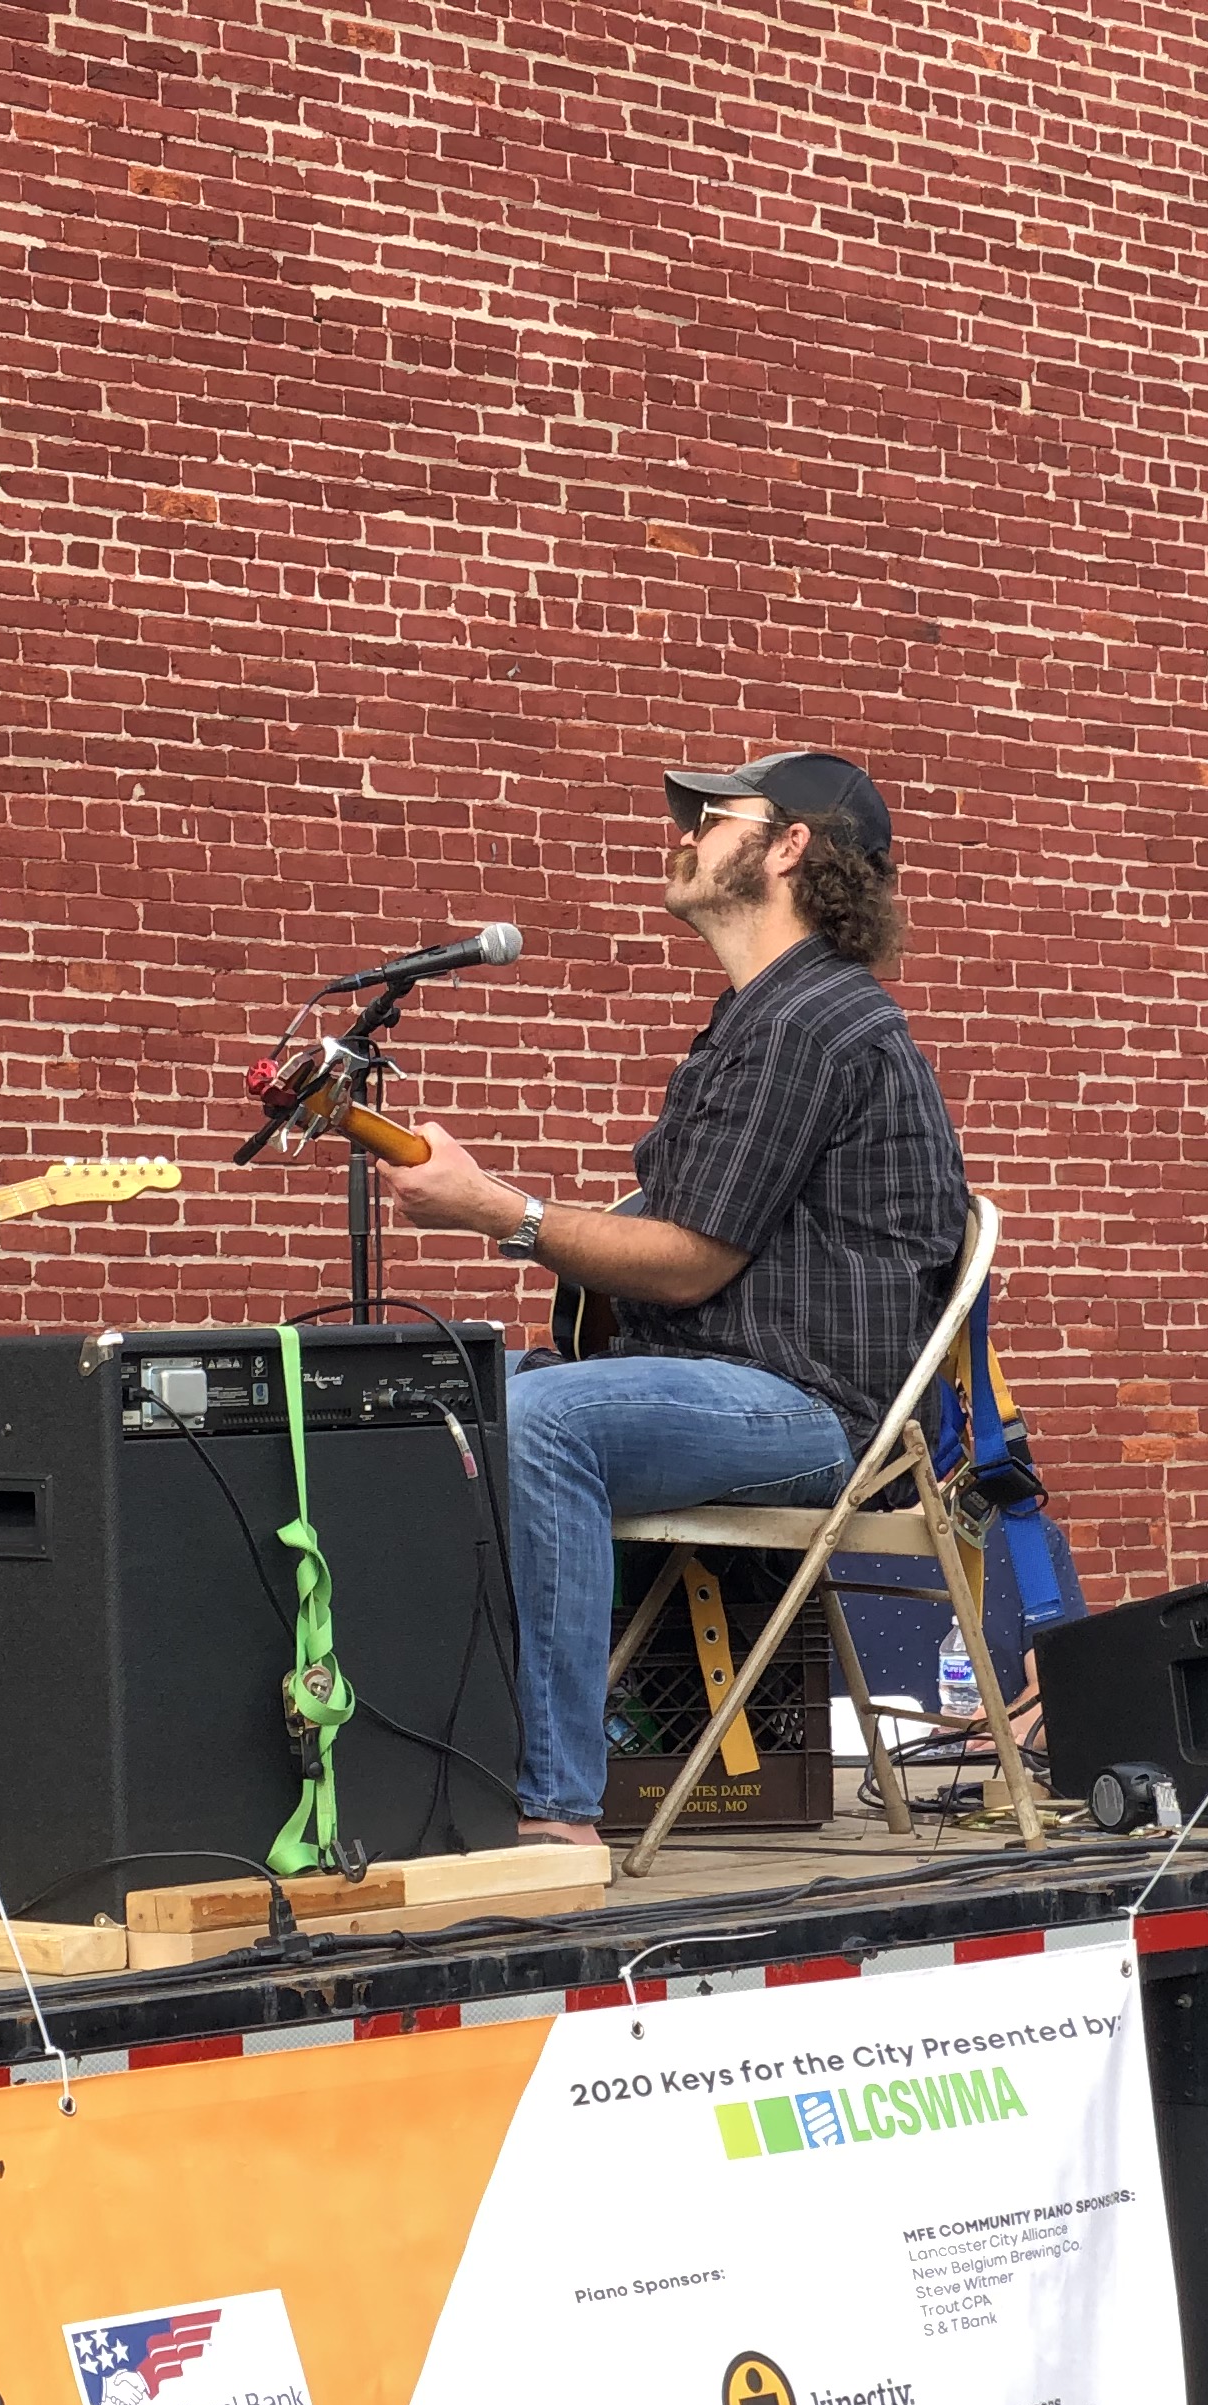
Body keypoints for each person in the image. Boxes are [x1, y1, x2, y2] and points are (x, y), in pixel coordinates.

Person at [378, 751, 968, 1845]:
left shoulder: (812, 1024)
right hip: (713, 1386)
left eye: (712, 815)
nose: (684, 831)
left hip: (807, 1411)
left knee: (546, 1422)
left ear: (790, 847)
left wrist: (495, 1208)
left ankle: (553, 1812)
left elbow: (692, 1261)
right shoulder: (754, 1020)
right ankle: (412, 1768)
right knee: (418, 1393)